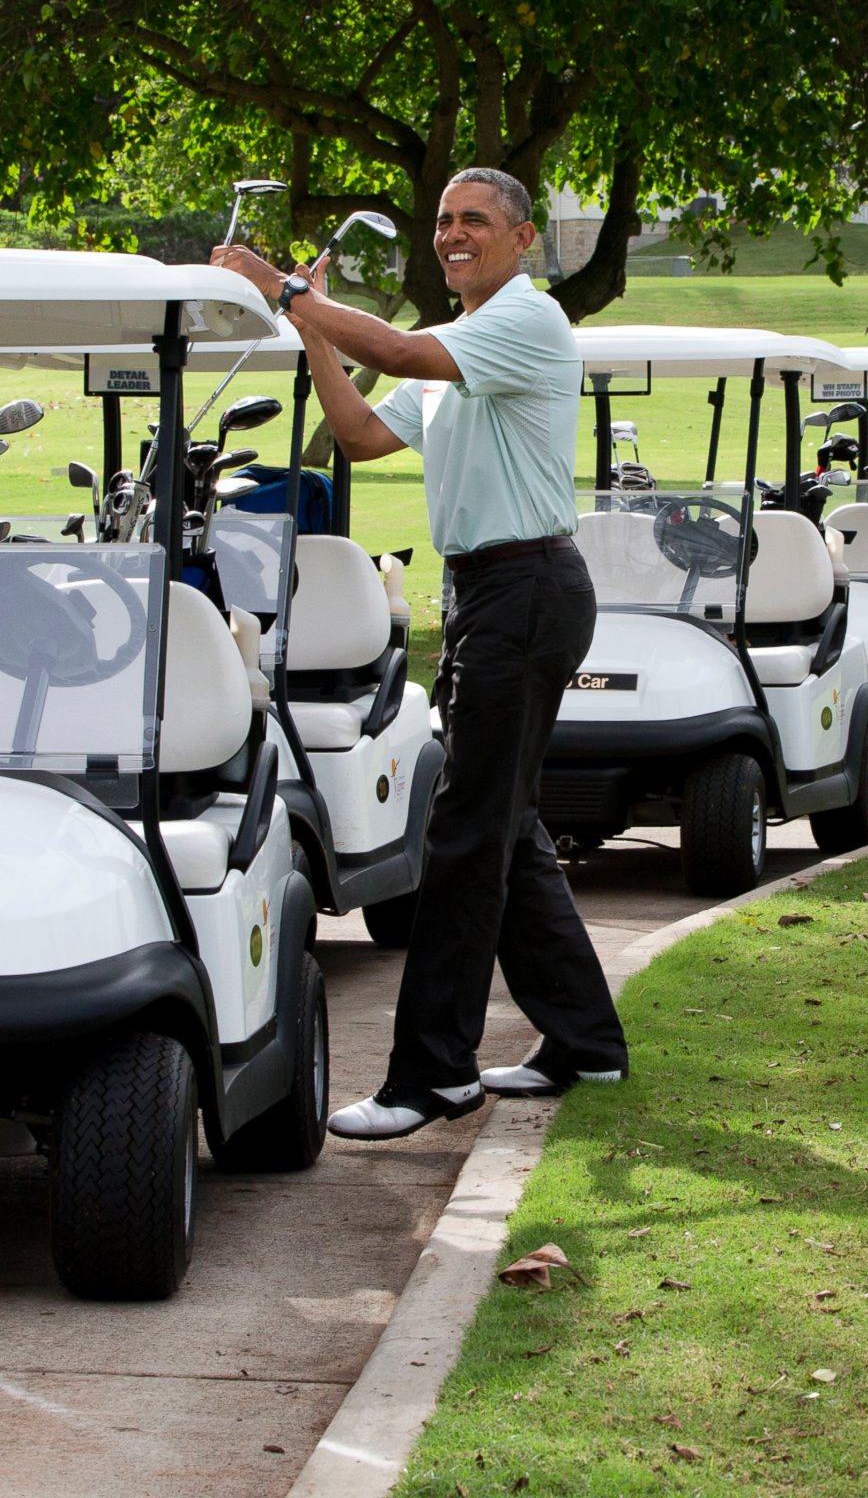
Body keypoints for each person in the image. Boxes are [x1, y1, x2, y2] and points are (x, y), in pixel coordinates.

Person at [213, 169, 629, 1140]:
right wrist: (313, 328)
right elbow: (354, 436)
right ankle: (585, 1041)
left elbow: (394, 345)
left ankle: (433, 1073)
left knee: (465, 834)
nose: (452, 234)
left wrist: (286, 289)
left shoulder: (524, 323)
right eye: (443, 220)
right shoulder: (460, 346)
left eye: (474, 220)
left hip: (526, 588)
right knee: (504, 827)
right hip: (494, 594)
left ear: (523, 240)